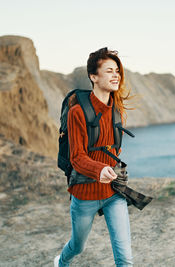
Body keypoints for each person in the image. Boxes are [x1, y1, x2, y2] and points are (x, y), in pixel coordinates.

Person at [54, 47, 136, 267]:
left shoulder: (117, 110)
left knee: (125, 259)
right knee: (77, 246)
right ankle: (60, 263)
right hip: (84, 194)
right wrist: (99, 170)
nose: (116, 75)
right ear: (93, 76)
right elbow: (77, 157)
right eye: (109, 70)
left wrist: (112, 171)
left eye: (117, 70)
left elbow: (114, 149)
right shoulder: (77, 112)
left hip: (114, 191)